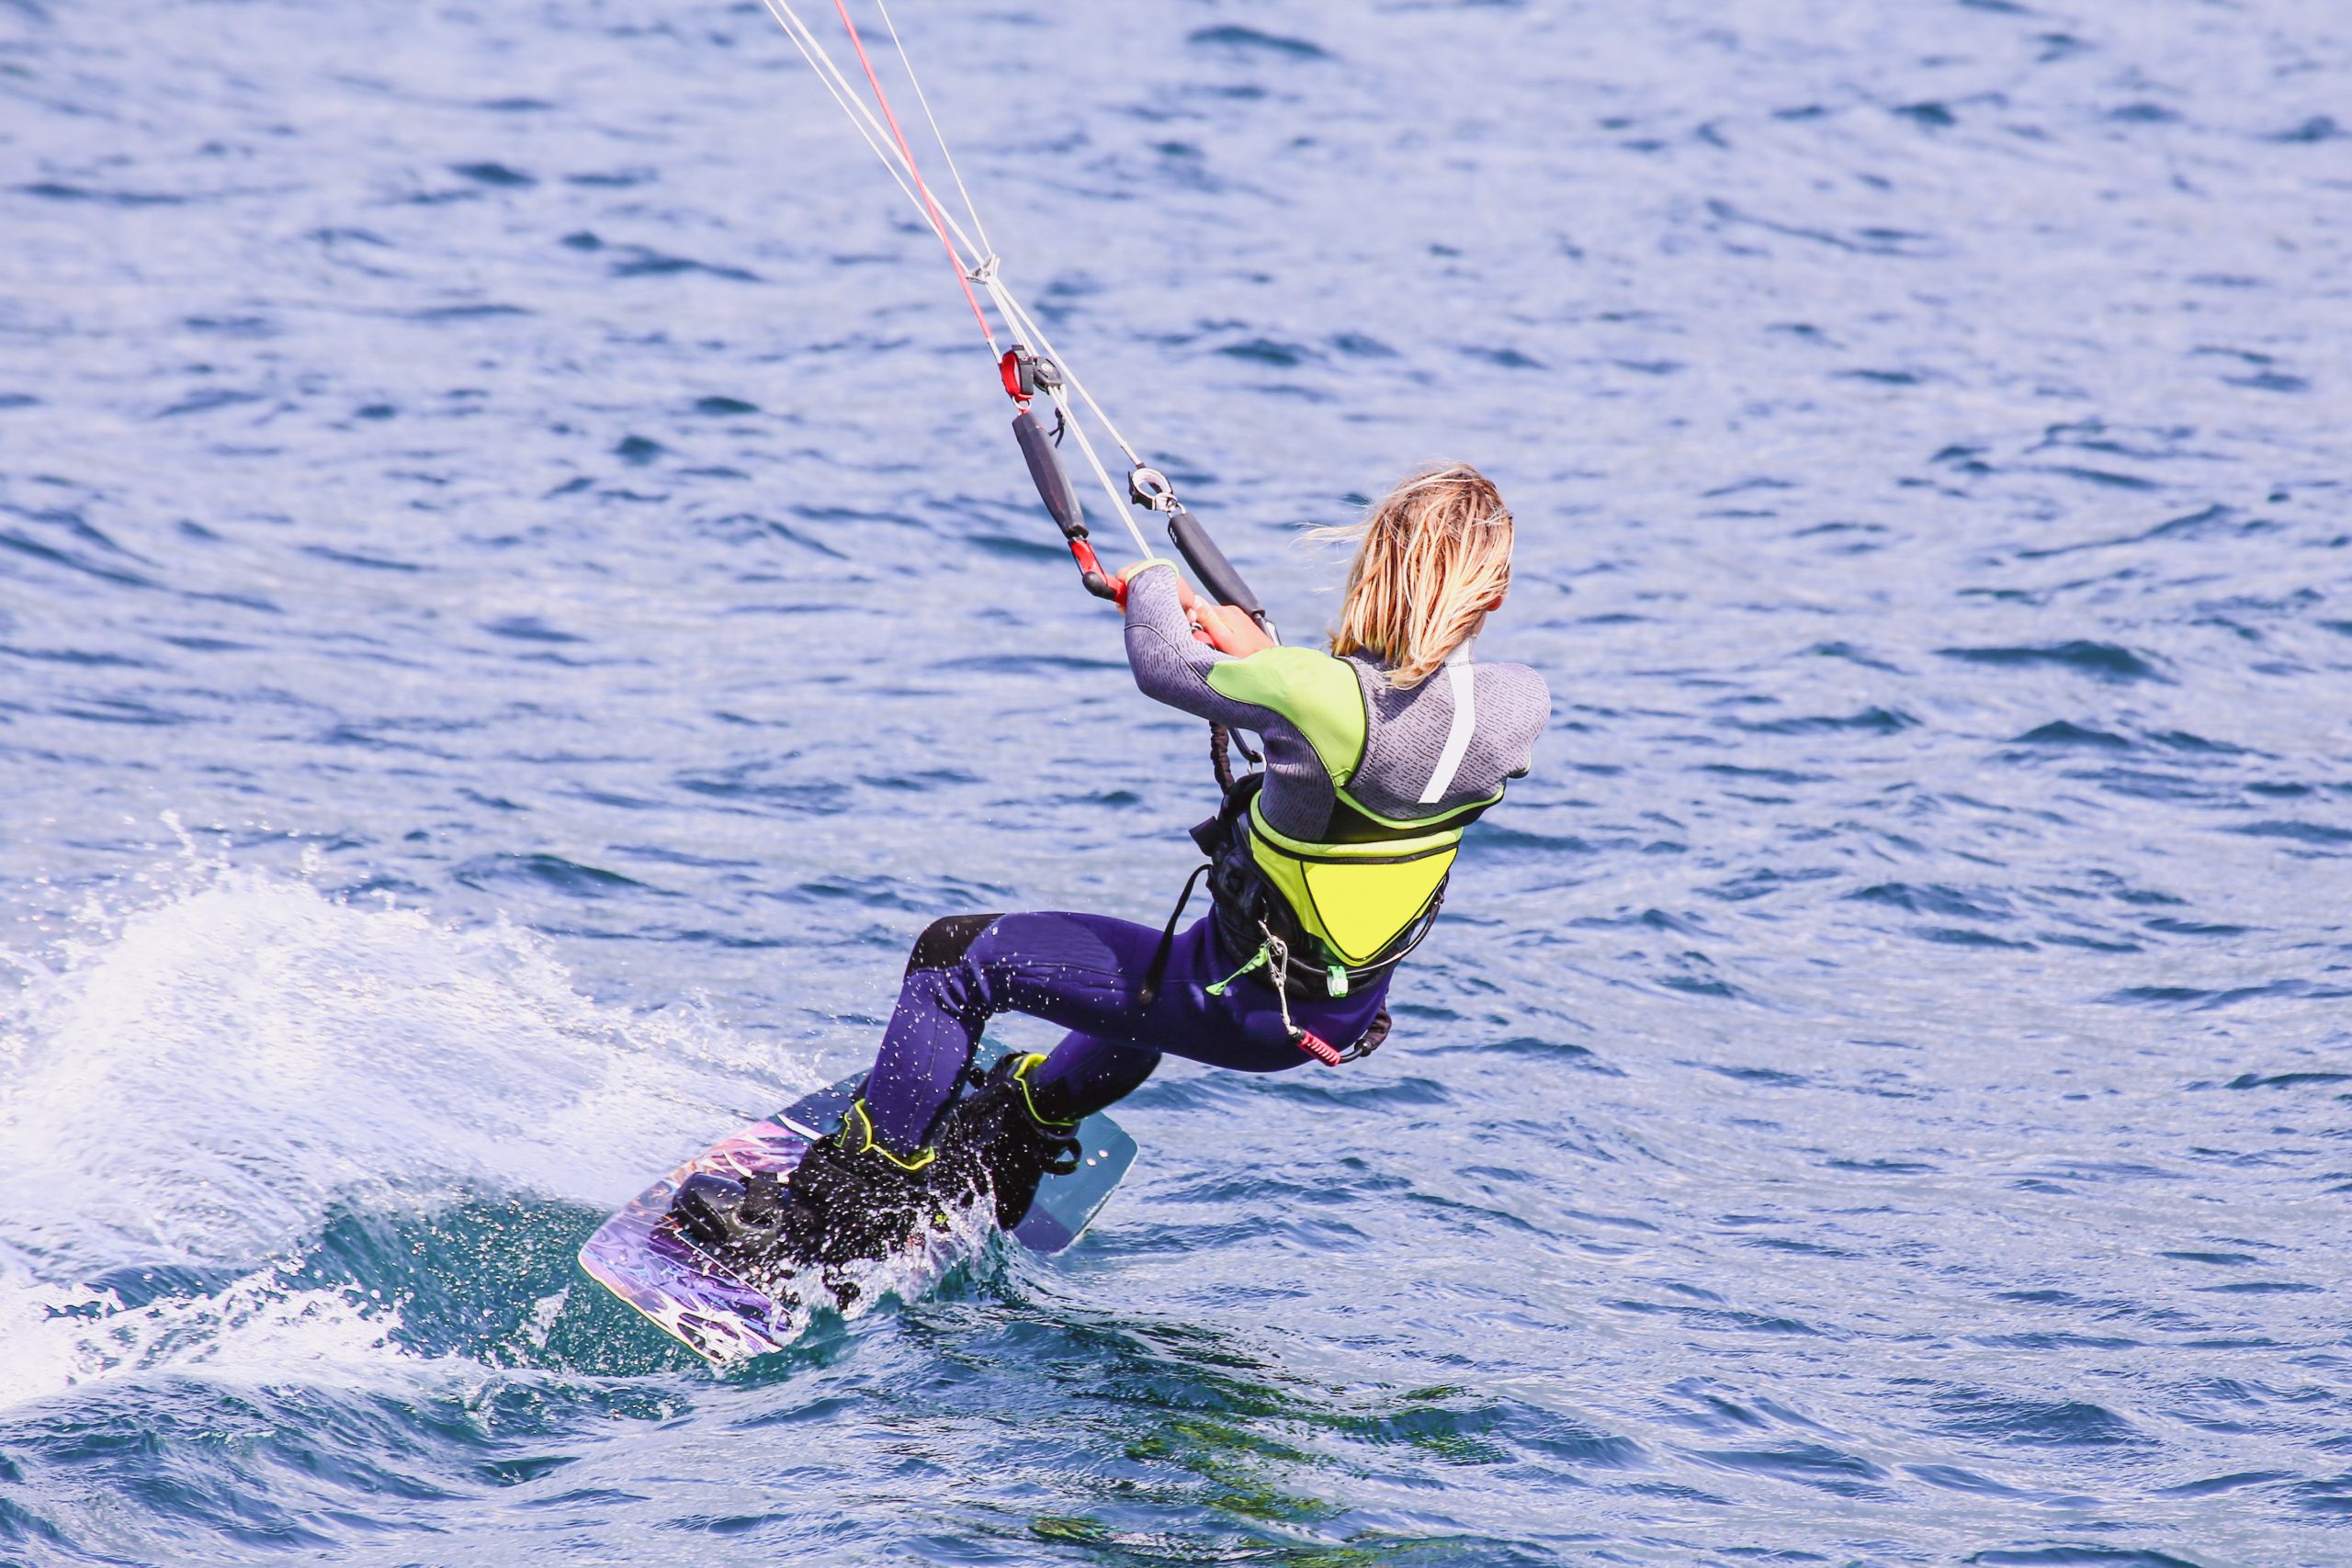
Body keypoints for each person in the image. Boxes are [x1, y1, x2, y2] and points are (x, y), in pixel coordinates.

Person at [673, 462, 1550, 1269]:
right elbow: (1386, 720)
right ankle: (1026, 1122)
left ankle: (842, 1214)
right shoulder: (1518, 709)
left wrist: (1151, 584)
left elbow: (1165, 660)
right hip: (1334, 1018)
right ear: (1495, 594)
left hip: (1230, 1000)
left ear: (1374, 566)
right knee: (1143, 984)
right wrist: (1270, 663)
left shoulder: (1312, 694)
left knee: (955, 961)